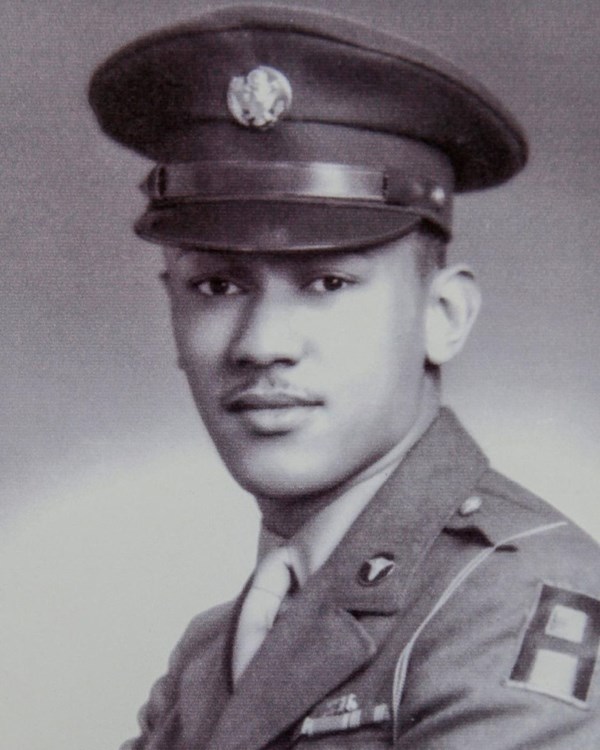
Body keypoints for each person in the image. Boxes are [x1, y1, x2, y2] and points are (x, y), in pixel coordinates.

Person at [88, 5, 600, 748]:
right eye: (217, 287)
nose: (261, 344)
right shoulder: (211, 654)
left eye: (328, 282)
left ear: (444, 314)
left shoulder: (518, 608)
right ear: (170, 310)